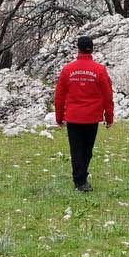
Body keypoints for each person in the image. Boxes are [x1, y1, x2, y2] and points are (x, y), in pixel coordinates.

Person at [54, 34, 115, 192]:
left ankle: (79, 180)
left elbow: (59, 95)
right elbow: (108, 95)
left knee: (76, 149)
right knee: (87, 149)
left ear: (78, 48)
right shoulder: (99, 70)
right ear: (92, 48)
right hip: (91, 117)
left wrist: (59, 117)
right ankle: (81, 180)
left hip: (73, 117)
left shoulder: (68, 69)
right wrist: (109, 117)